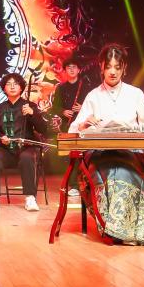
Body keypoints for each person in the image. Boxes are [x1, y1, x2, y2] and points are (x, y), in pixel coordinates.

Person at [68, 44, 144, 245]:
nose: (113, 71)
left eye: (117, 67)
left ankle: (129, 229)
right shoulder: (93, 96)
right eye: (108, 67)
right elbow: (74, 129)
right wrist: (84, 124)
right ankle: (116, 230)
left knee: (125, 171)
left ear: (124, 67)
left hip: (130, 152)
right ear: (101, 67)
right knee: (112, 172)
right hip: (100, 154)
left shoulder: (135, 93)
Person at [0, 73, 48, 212]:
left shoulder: (30, 106)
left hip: (26, 148)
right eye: (8, 84)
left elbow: (43, 129)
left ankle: (30, 197)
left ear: (21, 87)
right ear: (4, 88)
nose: (12, 87)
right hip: (7, 149)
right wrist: (2, 139)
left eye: (16, 84)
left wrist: (32, 114)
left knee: (27, 157)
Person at [52, 58, 87, 196]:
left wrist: (83, 107)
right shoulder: (60, 88)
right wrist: (63, 111)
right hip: (68, 126)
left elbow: (95, 106)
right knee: (71, 156)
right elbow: (54, 108)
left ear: (79, 70)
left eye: (74, 67)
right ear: (65, 70)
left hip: (84, 125)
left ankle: (83, 184)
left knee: (83, 155)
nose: (71, 69)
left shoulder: (86, 86)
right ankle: (73, 185)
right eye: (68, 67)